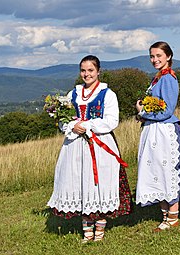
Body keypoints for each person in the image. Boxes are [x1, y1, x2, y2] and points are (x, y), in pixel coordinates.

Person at [47, 55, 132, 242]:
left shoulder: (107, 94)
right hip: (76, 145)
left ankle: (100, 228)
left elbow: (111, 121)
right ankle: (87, 229)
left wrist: (87, 125)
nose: (87, 74)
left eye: (90, 70)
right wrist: (71, 126)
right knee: (80, 182)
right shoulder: (73, 94)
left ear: (98, 71)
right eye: (83, 70)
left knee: (99, 183)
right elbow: (63, 119)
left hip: (99, 144)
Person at [135, 41, 180, 231]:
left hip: (164, 131)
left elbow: (167, 110)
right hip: (153, 130)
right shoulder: (158, 78)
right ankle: (165, 214)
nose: (155, 59)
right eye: (152, 56)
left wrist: (143, 112)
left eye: (159, 56)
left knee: (168, 171)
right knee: (156, 171)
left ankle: (173, 216)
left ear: (168, 56)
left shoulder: (168, 79)